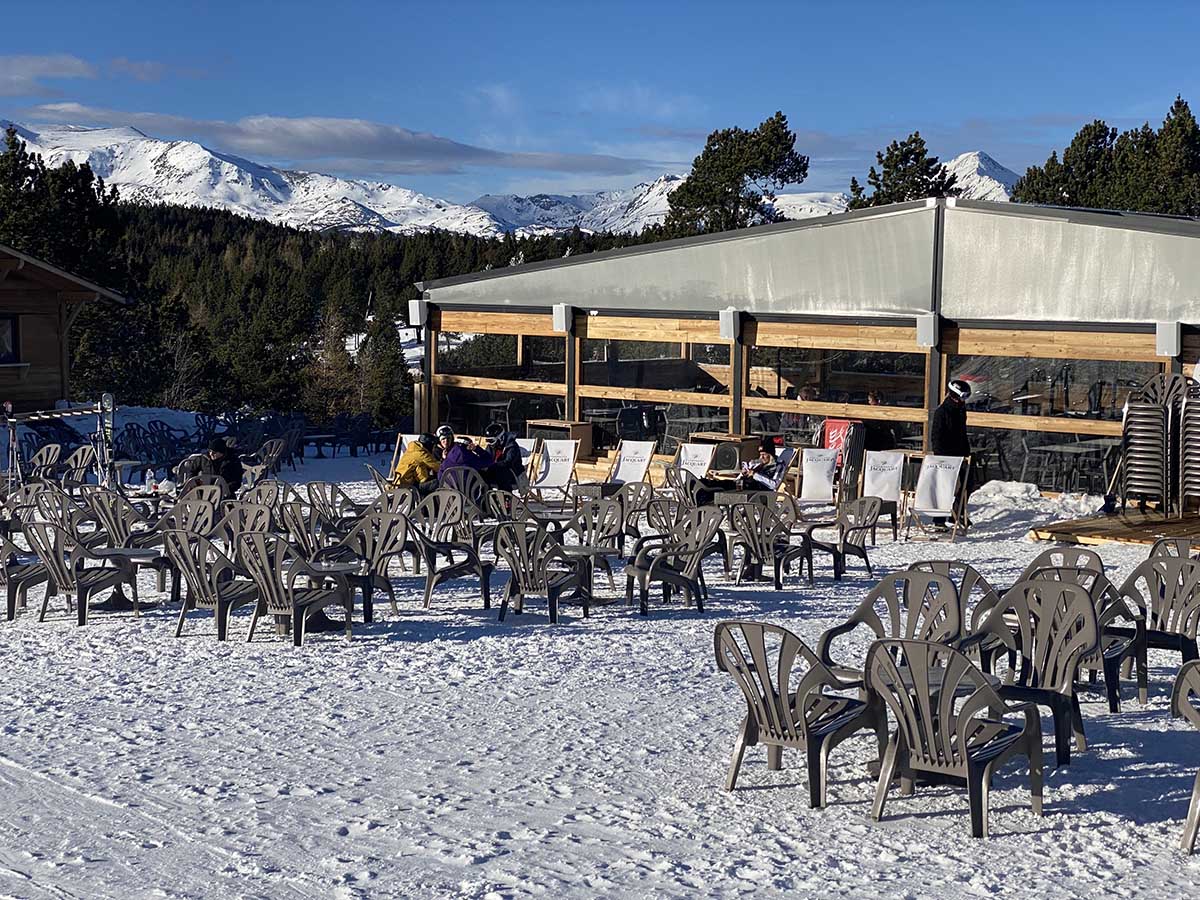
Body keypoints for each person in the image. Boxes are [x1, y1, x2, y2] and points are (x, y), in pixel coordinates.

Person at [930, 379, 973, 527]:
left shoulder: (961, 409)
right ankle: (939, 521)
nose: (964, 400)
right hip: (946, 455)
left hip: (961, 453)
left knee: (968, 484)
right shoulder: (942, 412)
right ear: (955, 395)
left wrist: (967, 452)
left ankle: (957, 513)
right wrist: (941, 458)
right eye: (963, 396)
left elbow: (962, 432)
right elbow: (936, 437)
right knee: (945, 488)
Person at [697, 437, 786, 505]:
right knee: (723, 483)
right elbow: (741, 477)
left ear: (770, 455)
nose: (761, 457)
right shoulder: (759, 463)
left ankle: (704, 495)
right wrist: (744, 474)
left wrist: (755, 475)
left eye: (764, 455)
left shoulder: (778, 465)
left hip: (758, 491)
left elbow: (774, 485)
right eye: (760, 454)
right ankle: (702, 485)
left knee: (725, 487)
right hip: (745, 486)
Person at [481, 423, 525, 492]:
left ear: (500, 438)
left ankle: (505, 498)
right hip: (497, 472)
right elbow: (487, 457)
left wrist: (493, 465)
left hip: (513, 475)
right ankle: (486, 497)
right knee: (481, 474)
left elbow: (508, 462)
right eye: (487, 441)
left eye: (491, 441)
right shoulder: (491, 446)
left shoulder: (511, 446)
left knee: (502, 473)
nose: (489, 444)